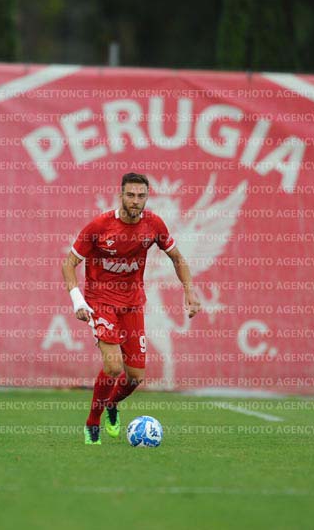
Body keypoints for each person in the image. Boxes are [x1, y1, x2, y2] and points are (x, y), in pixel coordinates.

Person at [61, 172, 201, 444]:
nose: (135, 201)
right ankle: (92, 422)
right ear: (121, 195)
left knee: (135, 377)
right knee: (113, 367)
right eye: (130, 195)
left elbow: (177, 258)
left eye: (141, 196)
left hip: (133, 305)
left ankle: (112, 404)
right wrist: (78, 301)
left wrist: (189, 291)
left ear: (146, 197)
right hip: (101, 302)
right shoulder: (100, 226)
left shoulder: (153, 225)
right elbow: (69, 264)